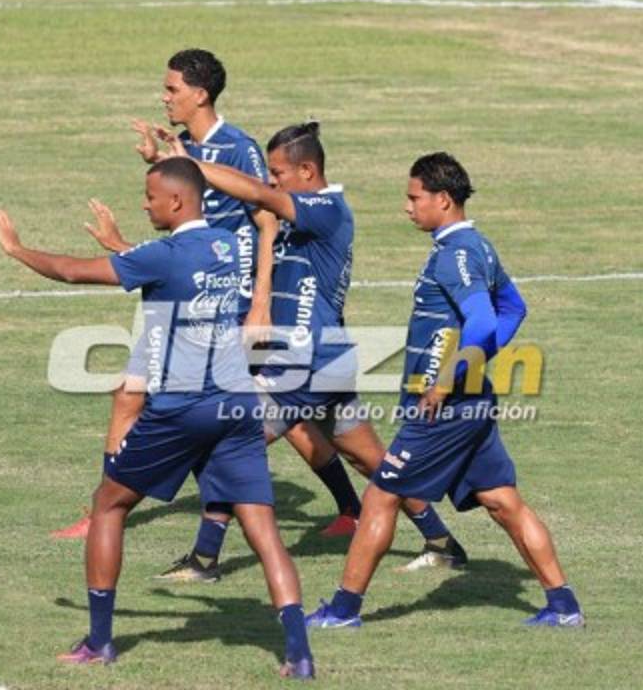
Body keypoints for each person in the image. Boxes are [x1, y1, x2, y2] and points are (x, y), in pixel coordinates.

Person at [0, 158, 315, 679]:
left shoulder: (164, 254)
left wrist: (18, 249)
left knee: (109, 504)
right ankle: (299, 654)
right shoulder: (230, 247)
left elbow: (74, 271)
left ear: (177, 202)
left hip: (181, 408)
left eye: (150, 196)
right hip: (236, 404)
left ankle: (99, 641)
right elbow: (168, 271)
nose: (144, 203)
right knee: (263, 530)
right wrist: (124, 246)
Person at [147, 123, 468, 580]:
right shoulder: (303, 217)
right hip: (325, 359)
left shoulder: (327, 210)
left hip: (305, 364)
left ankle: (204, 558)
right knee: (369, 458)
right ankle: (442, 542)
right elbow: (254, 208)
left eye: (279, 172)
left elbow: (259, 195)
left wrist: (188, 166)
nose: (273, 179)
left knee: (227, 441)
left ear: (307, 169)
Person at [306, 153, 584, 629]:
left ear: (443, 199)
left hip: (443, 409)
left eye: (414, 198)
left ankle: (343, 610)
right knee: (501, 500)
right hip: (471, 401)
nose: (407, 207)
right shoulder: (476, 245)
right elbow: (513, 308)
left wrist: (448, 379)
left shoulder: (455, 254)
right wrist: (475, 366)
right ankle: (563, 606)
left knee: (380, 496)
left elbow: (482, 318)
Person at [50, 47, 288, 542]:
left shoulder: (239, 148)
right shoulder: (185, 146)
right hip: (179, 303)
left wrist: (260, 302)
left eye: (172, 90)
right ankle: (106, 510)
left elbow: (268, 220)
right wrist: (160, 161)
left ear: (200, 95)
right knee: (129, 395)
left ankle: (193, 540)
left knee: (257, 422)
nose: (164, 98)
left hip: (225, 306)